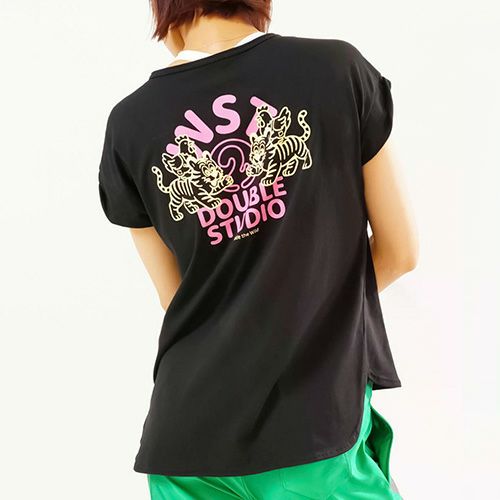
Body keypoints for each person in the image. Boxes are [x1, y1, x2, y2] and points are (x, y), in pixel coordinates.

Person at [97, 1, 418, 498]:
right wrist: (310, 317)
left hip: (184, 446)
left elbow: (178, 299)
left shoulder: (129, 124)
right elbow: (400, 252)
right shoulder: (336, 71)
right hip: (312, 430)